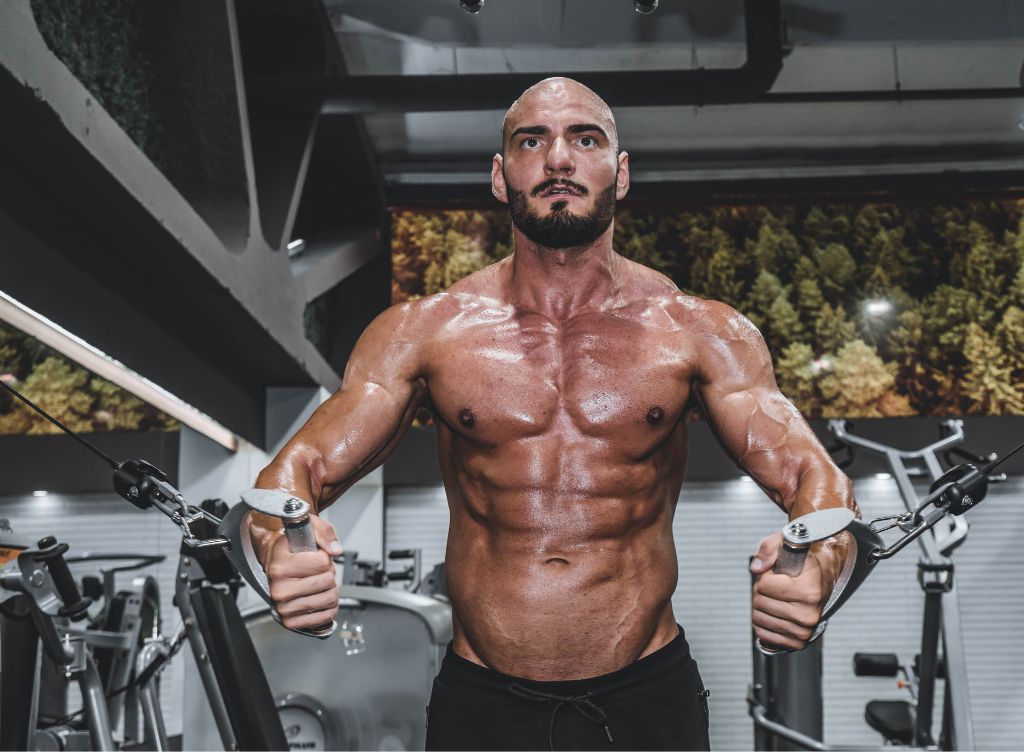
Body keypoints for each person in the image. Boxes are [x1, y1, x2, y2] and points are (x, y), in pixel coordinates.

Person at [249, 77, 858, 751]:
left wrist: (821, 563)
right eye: (531, 140)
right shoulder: (424, 331)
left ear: (620, 174)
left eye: (585, 139)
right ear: (500, 174)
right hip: (483, 704)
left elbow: (816, 479)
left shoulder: (700, 331)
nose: (558, 159)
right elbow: (292, 474)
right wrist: (280, 548)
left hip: (647, 699)